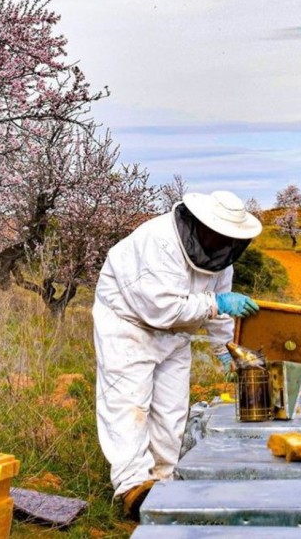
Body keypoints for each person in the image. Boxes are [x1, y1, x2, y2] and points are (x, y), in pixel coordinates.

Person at [92, 190, 263, 519]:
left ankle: (164, 482)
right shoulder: (160, 241)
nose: (223, 242)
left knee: (171, 411)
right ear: (201, 225)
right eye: (219, 235)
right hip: (129, 325)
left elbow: (219, 303)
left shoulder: (220, 257)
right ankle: (133, 487)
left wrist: (225, 350)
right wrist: (217, 304)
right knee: (129, 405)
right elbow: (162, 308)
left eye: (230, 238)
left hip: (176, 332)